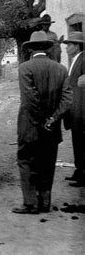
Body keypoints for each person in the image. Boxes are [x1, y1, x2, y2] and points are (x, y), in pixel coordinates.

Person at [13, 31, 72, 214]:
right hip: (51, 128)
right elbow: (67, 99)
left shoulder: (25, 68)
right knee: (47, 162)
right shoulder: (61, 69)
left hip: (30, 125)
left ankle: (30, 203)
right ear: (47, 48)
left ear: (30, 49)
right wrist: (52, 119)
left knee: (26, 161)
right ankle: (45, 202)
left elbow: (30, 99)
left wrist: (40, 121)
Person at [61, 31, 84, 187]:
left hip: (81, 109)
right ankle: (79, 171)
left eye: (69, 44)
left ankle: (83, 174)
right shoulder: (76, 60)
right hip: (75, 109)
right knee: (77, 141)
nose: (66, 48)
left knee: (82, 142)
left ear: (77, 46)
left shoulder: (83, 60)